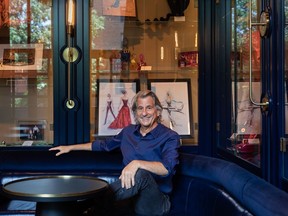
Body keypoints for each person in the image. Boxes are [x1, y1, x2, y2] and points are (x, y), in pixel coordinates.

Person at [49, 90, 180, 216]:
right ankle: (86, 207)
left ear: (157, 111)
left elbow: (167, 168)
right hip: (129, 200)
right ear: (135, 112)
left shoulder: (170, 136)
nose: (144, 113)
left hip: (156, 203)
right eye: (140, 108)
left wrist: (137, 164)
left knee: (141, 174)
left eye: (149, 108)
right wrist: (70, 147)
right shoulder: (128, 132)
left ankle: (83, 205)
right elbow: (103, 145)